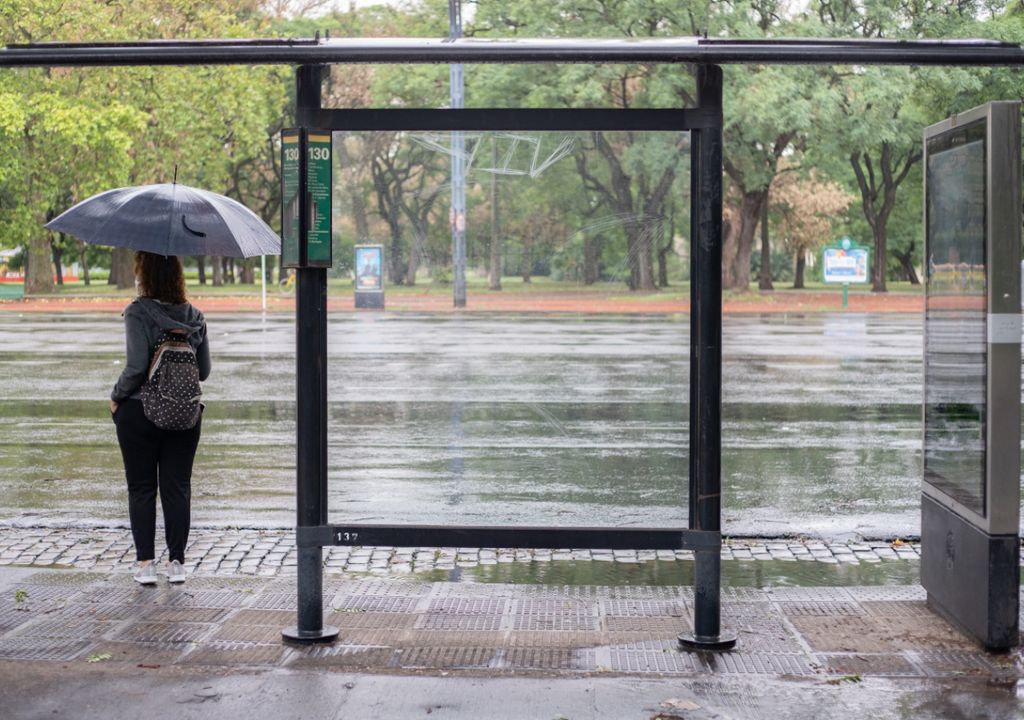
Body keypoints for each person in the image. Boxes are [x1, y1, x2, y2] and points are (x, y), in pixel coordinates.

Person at [110, 251, 210, 585]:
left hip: (140, 412)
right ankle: (177, 563)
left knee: (141, 488)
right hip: (185, 414)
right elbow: (205, 372)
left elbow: (136, 367)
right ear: (177, 275)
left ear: (144, 272)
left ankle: (145, 564)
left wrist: (115, 396)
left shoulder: (138, 312)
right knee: (177, 487)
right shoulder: (195, 316)